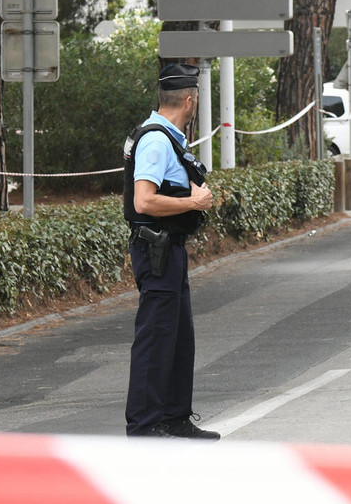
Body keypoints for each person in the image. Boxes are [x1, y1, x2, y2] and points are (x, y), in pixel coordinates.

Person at [123, 63, 218, 440]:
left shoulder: (168, 136)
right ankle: (145, 426)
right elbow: (144, 201)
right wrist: (193, 204)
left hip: (170, 249)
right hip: (156, 249)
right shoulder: (156, 141)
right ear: (190, 100)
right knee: (155, 337)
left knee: (179, 337)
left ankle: (175, 417)